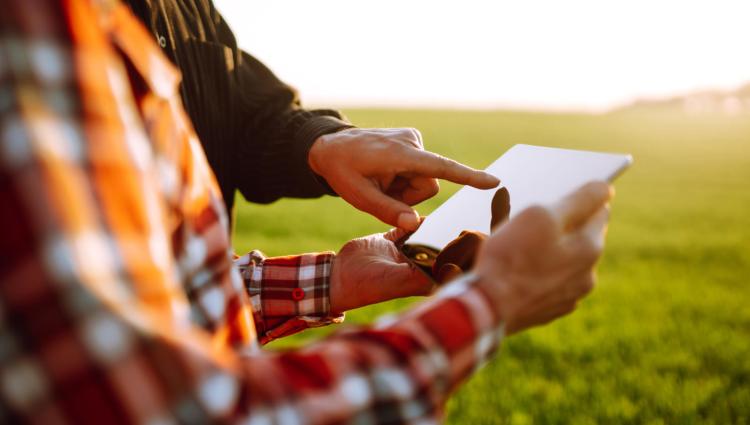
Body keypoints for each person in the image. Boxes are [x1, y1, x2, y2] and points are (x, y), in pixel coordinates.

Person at [0, 1, 612, 423]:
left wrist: (329, 279)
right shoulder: (36, 32)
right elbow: (172, 411)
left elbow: (128, 306)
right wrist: (492, 303)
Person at [122, 0, 500, 232]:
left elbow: (241, 119)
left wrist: (322, 142)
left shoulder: (188, 6)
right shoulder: (73, 21)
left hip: (212, 330)